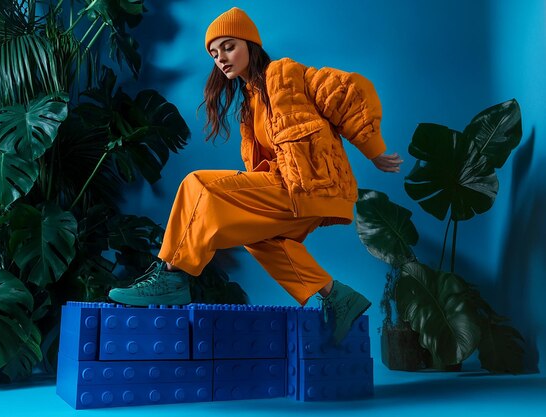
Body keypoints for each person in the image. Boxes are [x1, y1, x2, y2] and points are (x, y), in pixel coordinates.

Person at [109, 7, 403, 345]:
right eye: (214, 53)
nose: (221, 58)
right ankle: (337, 296)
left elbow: (347, 92)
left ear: (251, 44)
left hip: (305, 187)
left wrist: (374, 149)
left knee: (197, 183)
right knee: (258, 238)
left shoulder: (285, 73)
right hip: (293, 194)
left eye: (229, 46)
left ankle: (172, 275)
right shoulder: (250, 104)